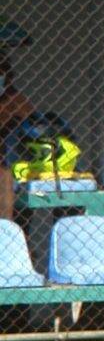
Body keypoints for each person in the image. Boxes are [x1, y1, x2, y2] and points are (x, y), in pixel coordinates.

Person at [0, 22, 38, 219]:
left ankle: (17, 239)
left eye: (2, 72)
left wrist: (12, 118)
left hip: (11, 164)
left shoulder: (15, 99)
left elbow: (31, 121)